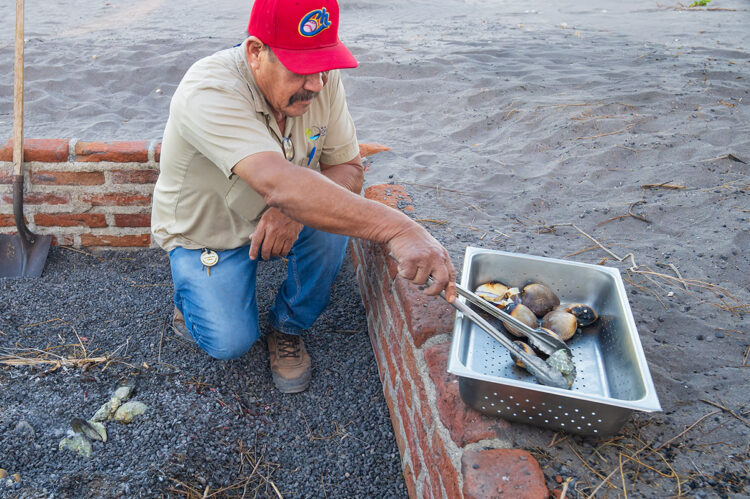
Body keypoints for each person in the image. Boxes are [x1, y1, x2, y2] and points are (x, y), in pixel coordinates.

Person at [151, 0, 456, 393]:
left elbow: (349, 169)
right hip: (211, 234)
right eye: (302, 70)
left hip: (280, 212)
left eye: (324, 67)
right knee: (228, 343)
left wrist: (293, 212)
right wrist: (400, 228)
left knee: (331, 223)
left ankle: (288, 326)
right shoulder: (208, 89)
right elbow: (277, 182)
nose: (316, 85)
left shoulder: (320, 82)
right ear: (256, 52)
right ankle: (189, 302)